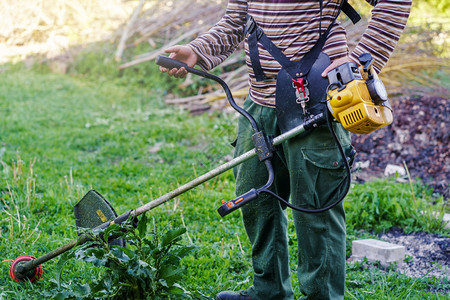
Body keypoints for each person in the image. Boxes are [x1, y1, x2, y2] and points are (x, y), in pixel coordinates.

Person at [160, 1, 411, 299]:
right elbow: (237, 20)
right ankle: (269, 290)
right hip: (260, 102)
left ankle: (323, 295)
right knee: (256, 198)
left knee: (316, 207)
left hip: (317, 98)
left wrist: (360, 62)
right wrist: (198, 50)